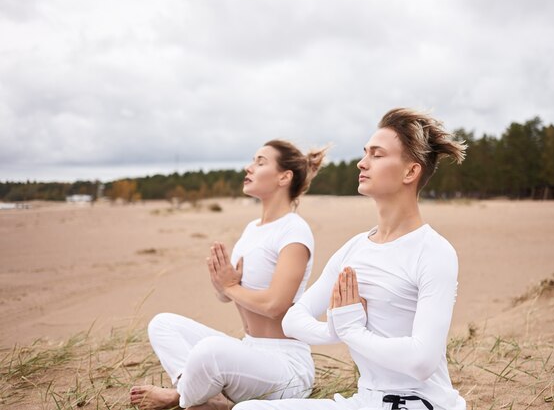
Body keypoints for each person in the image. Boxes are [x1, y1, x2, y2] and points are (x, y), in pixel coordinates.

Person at [234, 108, 467, 410]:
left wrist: (353, 331)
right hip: (363, 401)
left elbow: (422, 361)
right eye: (365, 153)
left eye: (377, 155)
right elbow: (293, 319)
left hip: (419, 403)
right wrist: (335, 328)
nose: (362, 162)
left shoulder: (434, 252)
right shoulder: (355, 248)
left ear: (411, 171)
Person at [130, 140, 327, 410]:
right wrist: (221, 285)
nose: (249, 167)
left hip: (286, 368)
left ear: (284, 177)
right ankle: (203, 396)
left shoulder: (294, 231)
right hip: (251, 351)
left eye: (260, 162)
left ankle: (179, 397)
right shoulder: (252, 229)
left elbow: (274, 306)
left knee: (210, 350)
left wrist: (230, 286)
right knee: (163, 324)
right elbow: (226, 295)